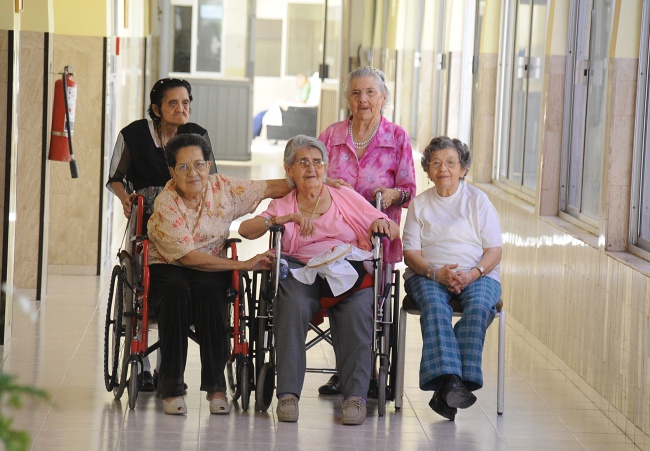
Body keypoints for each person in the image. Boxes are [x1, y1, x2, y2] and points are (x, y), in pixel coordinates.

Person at [238, 135, 399, 425]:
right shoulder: (284, 203)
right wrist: (280, 220)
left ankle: (355, 397)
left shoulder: (345, 196)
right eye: (303, 162)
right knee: (289, 305)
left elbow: (392, 228)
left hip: (347, 272)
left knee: (358, 310)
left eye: (317, 162)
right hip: (302, 271)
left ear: (325, 168)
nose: (311, 169)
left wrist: (380, 223)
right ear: (289, 170)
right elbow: (246, 230)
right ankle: (288, 396)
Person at [146, 133, 292, 415]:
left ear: (209, 164)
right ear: (172, 172)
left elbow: (268, 188)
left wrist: (315, 181)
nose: (194, 173)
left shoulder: (223, 187)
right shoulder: (166, 202)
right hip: (168, 265)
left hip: (212, 264)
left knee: (212, 295)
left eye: (199, 164)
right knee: (176, 293)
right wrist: (244, 265)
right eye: (184, 167)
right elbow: (187, 257)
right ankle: (171, 387)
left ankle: (216, 387)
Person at [107, 77, 215, 391]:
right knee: (138, 280)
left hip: (185, 217)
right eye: (173, 103)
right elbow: (116, 177)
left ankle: (167, 367)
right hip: (146, 215)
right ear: (156, 108)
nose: (181, 108)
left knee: (178, 283)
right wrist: (124, 197)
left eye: (185, 102)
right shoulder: (134, 135)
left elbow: (211, 177)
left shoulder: (198, 135)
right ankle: (140, 362)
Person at [317, 65, 416, 395]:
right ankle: (349, 370)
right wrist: (325, 183)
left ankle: (363, 371)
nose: (363, 99)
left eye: (370, 92)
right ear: (347, 98)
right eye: (356, 93)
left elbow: (409, 189)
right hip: (333, 236)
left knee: (368, 300)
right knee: (336, 294)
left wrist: (392, 195)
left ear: (383, 98)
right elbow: (308, 177)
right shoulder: (329, 137)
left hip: (376, 239)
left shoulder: (397, 138)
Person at [401, 136, 502, 421]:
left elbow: (494, 250)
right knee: (434, 306)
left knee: (481, 306)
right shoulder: (420, 205)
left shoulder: (478, 201)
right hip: (428, 273)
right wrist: (436, 272)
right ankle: (455, 383)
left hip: (479, 273)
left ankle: (449, 384)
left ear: (463, 169)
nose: (443, 168)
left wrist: (473, 274)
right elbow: (410, 253)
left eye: (450, 162)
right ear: (428, 170)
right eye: (436, 163)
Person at [253, 73, 312, 138]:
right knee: (261, 114)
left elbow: (302, 101)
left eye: (298, 80)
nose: (296, 83)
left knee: (261, 115)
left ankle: (252, 133)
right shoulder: (305, 87)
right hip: (289, 110)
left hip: (290, 111)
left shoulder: (307, 87)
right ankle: (253, 133)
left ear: (303, 79)